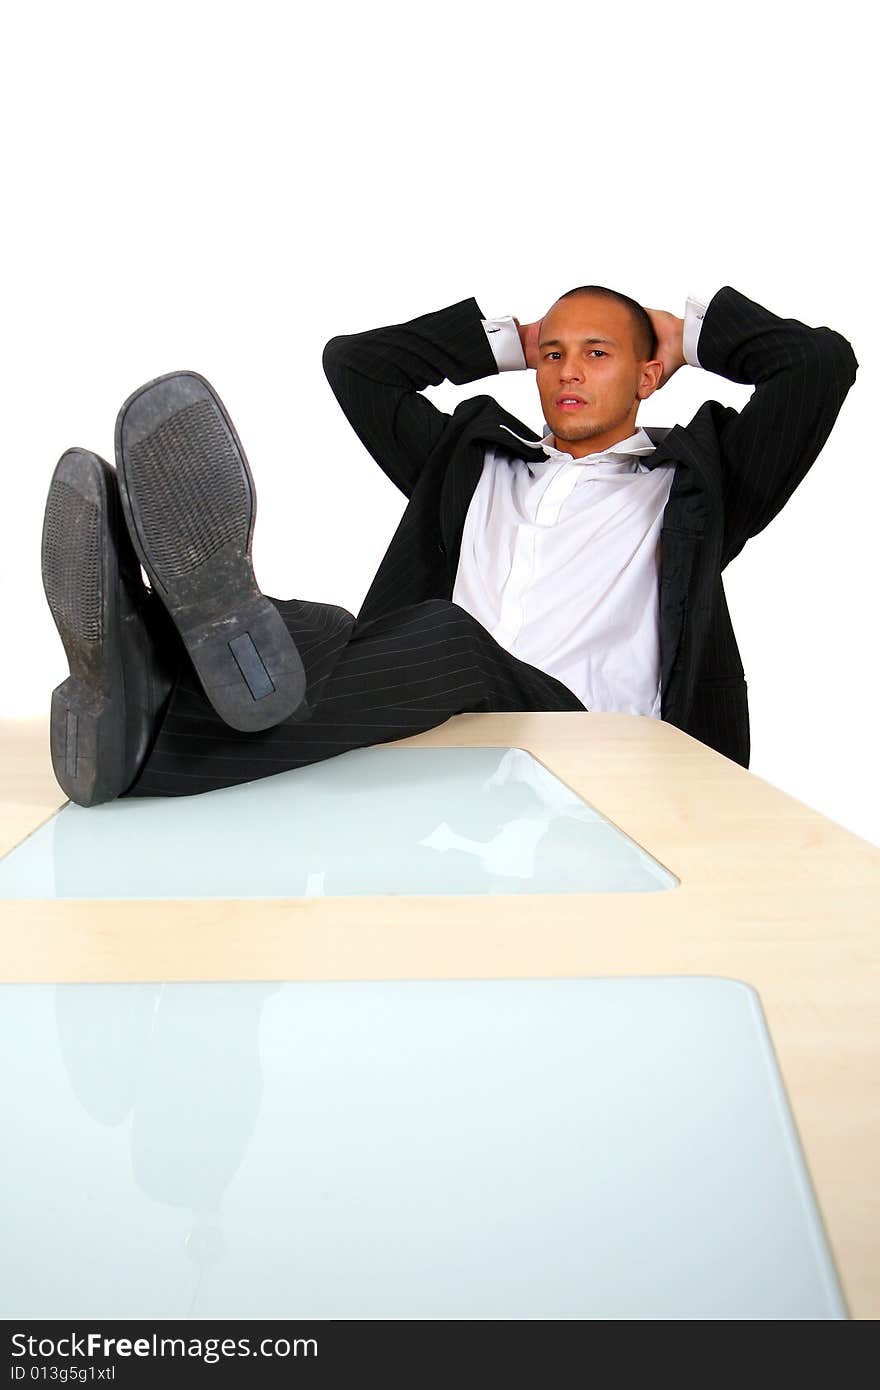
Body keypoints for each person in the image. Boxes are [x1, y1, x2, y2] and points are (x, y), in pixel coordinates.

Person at [40, 284, 858, 806]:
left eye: (598, 354)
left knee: (446, 636)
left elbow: (818, 367)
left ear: (648, 377)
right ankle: (143, 708)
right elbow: (356, 365)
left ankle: (173, 657)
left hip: (593, 750)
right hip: (427, 729)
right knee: (317, 635)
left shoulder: (702, 484)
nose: (567, 370)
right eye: (553, 354)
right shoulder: (470, 458)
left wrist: (690, 332)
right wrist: (512, 335)